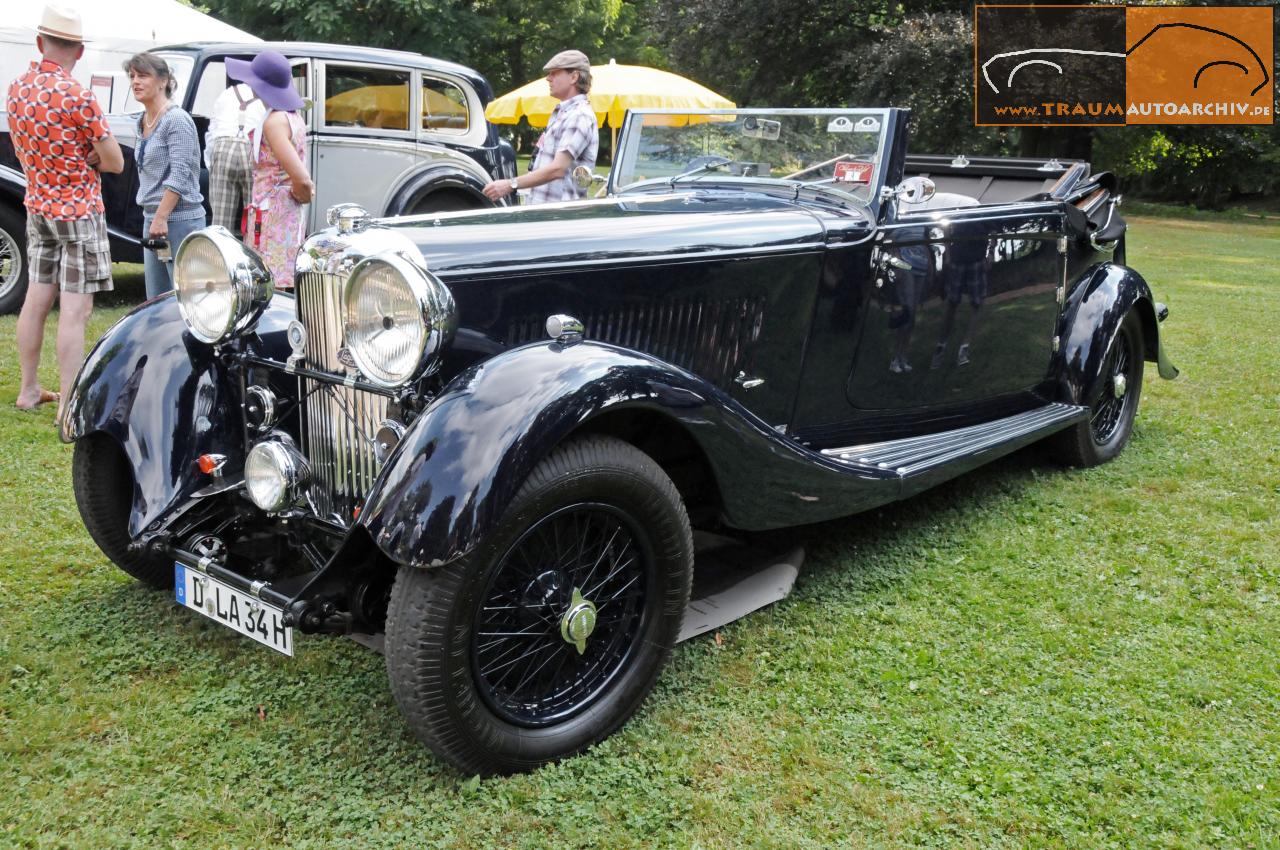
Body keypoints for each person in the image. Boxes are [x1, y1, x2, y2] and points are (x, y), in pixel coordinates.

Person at [8, 5, 123, 415]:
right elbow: (115, 162)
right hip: (78, 210)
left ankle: (28, 389)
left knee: (36, 300)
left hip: (38, 206)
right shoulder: (78, 95)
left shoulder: (17, 88)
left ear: (40, 43)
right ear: (77, 50)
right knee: (76, 310)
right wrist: (89, 157)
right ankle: (69, 402)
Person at [225, 51, 313, 290]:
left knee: (269, 283)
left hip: (273, 214)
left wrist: (303, 194)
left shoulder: (275, 122)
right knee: (277, 280)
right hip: (281, 212)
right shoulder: (292, 117)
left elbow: (302, 180)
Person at [123, 52, 205, 298]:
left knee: (187, 299)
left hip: (180, 220)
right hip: (154, 219)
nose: (136, 81)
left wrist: (160, 218)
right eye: (133, 76)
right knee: (156, 301)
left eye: (143, 75)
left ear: (164, 81)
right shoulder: (143, 120)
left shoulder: (177, 120)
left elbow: (179, 174)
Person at [483, 50, 598, 205]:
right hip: (547, 214)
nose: (548, 78)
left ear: (574, 77)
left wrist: (510, 184)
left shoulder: (579, 115)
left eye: (554, 73)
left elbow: (558, 169)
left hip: (558, 217)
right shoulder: (564, 113)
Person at [204, 79, 266, 235]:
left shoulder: (226, 93)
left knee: (220, 222)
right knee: (254, 217)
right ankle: (253, 253)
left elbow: (212, 131)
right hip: (252, 148)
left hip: (223, 145)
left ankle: (219, 254)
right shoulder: (267, 95)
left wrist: (210, 164)